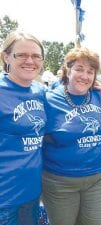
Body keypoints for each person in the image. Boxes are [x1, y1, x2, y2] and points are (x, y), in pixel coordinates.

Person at [42, 47, 101, 225]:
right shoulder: (48, 100)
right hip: (60, 182)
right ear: (67, 70)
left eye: (90, 71)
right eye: (79, 69)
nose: (85, 76)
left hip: (96, 179)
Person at [0, 32, 47, 225]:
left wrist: (95, 86)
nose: (30, 61)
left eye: (36, 56)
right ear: (6, 57)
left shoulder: (40, 91)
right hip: (4, 199)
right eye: (22, 55)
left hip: (31, 193)